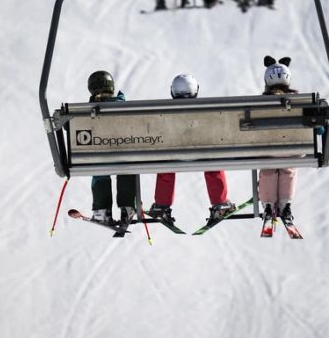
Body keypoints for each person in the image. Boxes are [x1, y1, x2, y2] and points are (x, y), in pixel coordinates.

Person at [149, 74, 236, 223]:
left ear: (172, 92)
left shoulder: (164, 112)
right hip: (201, 154)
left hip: (173, 156)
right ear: (196, 91)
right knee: (213, 161)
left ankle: (161, 206)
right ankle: (219, 203)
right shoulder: (204, 111)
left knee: (164, 162)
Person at [86, 70, 139, 224]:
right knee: (127, 165)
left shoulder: (84, 111)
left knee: (98, 166)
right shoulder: (124, 107)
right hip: (125, 156)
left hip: (99, 159)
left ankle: (102, 210)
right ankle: (128, 207)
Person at [257, 56, 298, 225]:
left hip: (268, 149)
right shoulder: (299, 102)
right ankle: (285, 204)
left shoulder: (260, 103)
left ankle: (268, 205)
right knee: (288, 168)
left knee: (268, 167)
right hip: (293, 149)